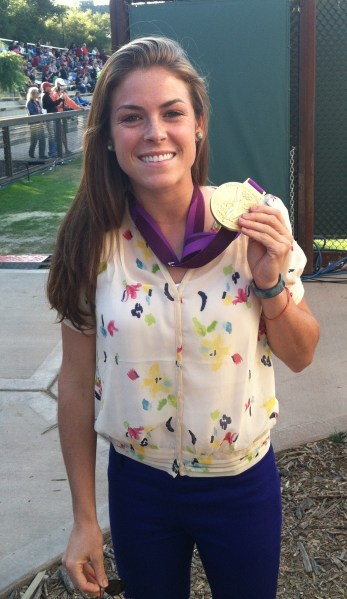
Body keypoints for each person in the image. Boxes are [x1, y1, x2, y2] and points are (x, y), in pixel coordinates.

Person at [47, 36, 320, 599]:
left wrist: (269, 282)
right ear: (108, 139)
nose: (154, 132)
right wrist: (83, 519)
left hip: (241, 484)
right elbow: (75, 386)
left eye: (172, 112)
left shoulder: (254, 224)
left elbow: (301, 354)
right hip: (140, 487)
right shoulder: (91, 244)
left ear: (197, 125)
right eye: (131, 117)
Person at [51, 78, 81, 155]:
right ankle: (57, 152)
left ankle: (66, 150)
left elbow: (70, 102)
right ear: (57, 85)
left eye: (62, 85)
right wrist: (60, 103)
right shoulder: (52, 93)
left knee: (63, 133)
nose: (62, 87)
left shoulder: (63, 93)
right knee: (57, 134)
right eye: (60, 85)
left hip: (62, 116)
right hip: (54, 117)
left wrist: (78, 108)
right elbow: (52, 106)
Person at [41, 81, 63, 158]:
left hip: (52, 118)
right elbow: (51, 105)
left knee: (54, 135)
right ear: (45, 87)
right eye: (49, 86)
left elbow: (52, 105)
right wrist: (60, 99)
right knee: (52, 136)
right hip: (50, 118)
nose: (50, 87)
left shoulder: (47, 95)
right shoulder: (45, 95)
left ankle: (54, 151)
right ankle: (52, 152)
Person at [26, 86, 47, 159]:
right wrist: (39, 116)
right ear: (33, 93)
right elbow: (31, 112)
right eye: (36, 93)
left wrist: (42, 117)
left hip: (40, 123)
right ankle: (31, 153)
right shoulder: (29, 102)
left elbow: (40, 111)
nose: (38, 94)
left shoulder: (37, 101)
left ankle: (42, 155)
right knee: (34, 140)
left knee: (42, 139)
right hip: (34, 123)